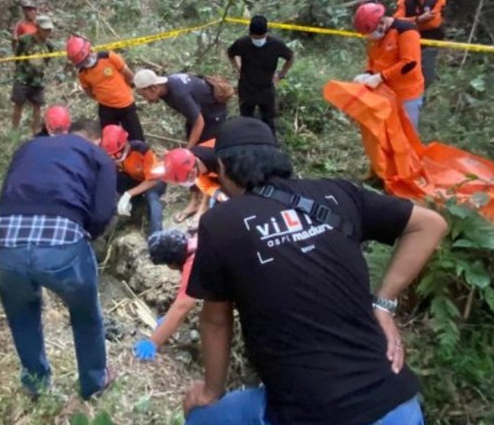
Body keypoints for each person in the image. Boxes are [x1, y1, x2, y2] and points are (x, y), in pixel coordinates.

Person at [182, 117, 448, 425]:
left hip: (314, 411)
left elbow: (216, 319)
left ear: (224, 168)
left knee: (203, 418)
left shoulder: (222, 222)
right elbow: (430, 224)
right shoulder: (338, 192)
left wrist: (211, 391)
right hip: (398, 406)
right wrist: (384, 303)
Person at [0, 119, 117, 400]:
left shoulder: (29, 146)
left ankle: (35, 384)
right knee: (85, 314)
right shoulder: (99, 156)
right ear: (96, 140)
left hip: (7, 238)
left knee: (22, 313)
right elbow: (103, 211)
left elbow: (6, 193)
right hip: (62, 241)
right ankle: (93, 383)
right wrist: (86, 235)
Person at [353, 3, 425, 131]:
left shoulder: (406, 30)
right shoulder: (378, 35)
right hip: (384, 91)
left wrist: (380, 77)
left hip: (406, 93)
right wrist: (369, 73)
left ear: (381, 22)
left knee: (406, 134)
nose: (370, 36)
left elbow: (409, 63)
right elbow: (373, 58)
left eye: (371, 32)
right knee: (386, 133)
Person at [133, 230, 198, 361]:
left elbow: (183, 306)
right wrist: (169, 316)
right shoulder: (196, 242)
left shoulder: (195, 262)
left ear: (172, 263)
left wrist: (153, 342)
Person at [67, 36, 144, 141]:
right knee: (110, 140)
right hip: (106, 109)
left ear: (90, 51)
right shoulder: (83, 73)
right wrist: (104, 97)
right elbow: (89, 91)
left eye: (85, 60)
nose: (85, 63)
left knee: (136, 138)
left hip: (126, 105)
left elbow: (128, 75)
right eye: (82, 63)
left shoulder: (108, 57)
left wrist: (124, 92)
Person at [227, 15, 294, 135]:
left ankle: (270, 144)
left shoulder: (276, 44)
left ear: (267, 33)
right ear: (250, 34)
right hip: (247, 88)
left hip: (266, 88)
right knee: (246, 119)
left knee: (268, 120)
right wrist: (238, 68)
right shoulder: (242, 43)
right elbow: (230, 54)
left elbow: (290, 57)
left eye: (261, 37)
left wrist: (281, 75)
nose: (259, 40)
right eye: (255, 38)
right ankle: (248, 140)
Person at [134, 69, 227, 147]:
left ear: (153, 88)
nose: (146, 100)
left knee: (204, 149)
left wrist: (188, 150)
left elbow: (199, 122)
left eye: (144, 95)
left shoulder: (179, 94)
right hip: (197, 113)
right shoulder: (164, 87)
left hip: (213, 114)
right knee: (193, 139)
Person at [101, 124, 165, 234]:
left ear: (125, 143)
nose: (116, 158)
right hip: (134, 179)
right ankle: (132, 211)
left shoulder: (142, 150)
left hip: (154, 181)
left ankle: (156, 233)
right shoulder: (113, 157)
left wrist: (129, 194)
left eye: (118, 153)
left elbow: (153, 179)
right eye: (113, 156)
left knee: (152, 198)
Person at [394, 0, 447, 88]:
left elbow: (434, 23)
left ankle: (424, 95)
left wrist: (408, 22)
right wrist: (419, 19)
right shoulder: (405, 1)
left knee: (426, 70)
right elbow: (396, 20)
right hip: (408, 40)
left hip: (431, 40)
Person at [160, 144, 226, 229]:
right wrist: (217, 193)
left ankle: (203, 207)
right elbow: (205, 184)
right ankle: (198, 206)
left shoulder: (221, 161)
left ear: (192, 173)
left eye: (183, 181)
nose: (183, 184)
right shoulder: (189, 159)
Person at [11, 15, 56, 132]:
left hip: (38, 79)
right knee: (18, 105)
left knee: (37, 107)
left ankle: (34, 132)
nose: (47, 32)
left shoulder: (49, 45)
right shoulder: (25, 40)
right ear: (37, 27)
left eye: (49, 30)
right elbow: (17, 55)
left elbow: (47, 61)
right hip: (23, 77)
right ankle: (13, 132)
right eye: (45, 29)